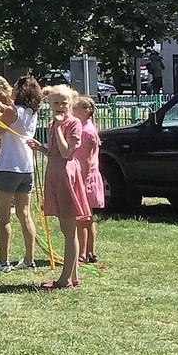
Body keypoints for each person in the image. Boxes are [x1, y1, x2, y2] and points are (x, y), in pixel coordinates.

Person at [0, 75, 42, 272]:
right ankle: (29, 260)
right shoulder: (31, 112)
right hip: (26, 168)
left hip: (8, 168)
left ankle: (3, 262)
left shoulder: (14, 112)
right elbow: (4, 112)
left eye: (14, 86)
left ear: (21, 91)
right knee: (25, 215)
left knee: (3, 217)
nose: (11, 89)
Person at [29, 84, 91, 290]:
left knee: (69, 228)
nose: (60, 106)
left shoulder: (73, 124)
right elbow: (54, 152)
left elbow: (66, 153)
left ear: (71, 103)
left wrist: (58, 129)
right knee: (66, 229)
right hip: (54, 174)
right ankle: (72, 276)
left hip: (66, 176)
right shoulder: (51, 125)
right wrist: (40, 148)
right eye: (55, 103)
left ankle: (65, 278)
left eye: (63, 103)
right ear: (49, 104)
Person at [73, 95, 105, 263]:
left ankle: (82, 253)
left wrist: (82, 181)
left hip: (86, 177)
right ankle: (90, 252)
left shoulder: (87, 131)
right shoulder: (88, 127)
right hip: (87, 175)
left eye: (76, 107)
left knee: (82, 218)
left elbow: (86, 159)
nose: (73, 110)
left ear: (87, 111)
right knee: (88, 217)